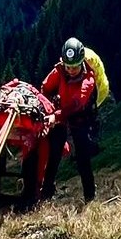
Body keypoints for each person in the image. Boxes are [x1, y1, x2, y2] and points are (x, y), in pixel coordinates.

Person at [39, 37, 99, 204]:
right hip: (59, 116)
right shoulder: (59, 71)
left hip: (79, 119)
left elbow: (76, 104)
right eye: (68, 66)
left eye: (75, 67)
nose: (71, 70)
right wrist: (50, 106)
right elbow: (45, 88)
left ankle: (89, 197)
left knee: (82, 159)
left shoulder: (88, 80)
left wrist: (55, 115)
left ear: (82, 63)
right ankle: (46, 193)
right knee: (54, 154)